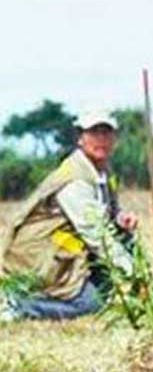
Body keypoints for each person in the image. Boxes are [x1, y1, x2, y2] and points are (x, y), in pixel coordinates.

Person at [0, 110, 137, 322]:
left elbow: (107, 209)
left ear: (114, 138)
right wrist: (133, 273)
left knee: (125, 241)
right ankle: (19, 306)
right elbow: (95, 234)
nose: (101, 139)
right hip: (42, 253)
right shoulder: (74, 181)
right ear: (80, 138)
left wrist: (120, 218)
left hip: (71, 248)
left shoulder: (102, 170)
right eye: (94, 133)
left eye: (106, 132)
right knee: (92, 303)